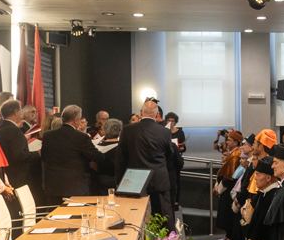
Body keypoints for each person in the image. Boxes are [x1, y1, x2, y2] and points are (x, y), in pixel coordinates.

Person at [117, 98, 179, 229]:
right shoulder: (164, 132)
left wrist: (120, 182)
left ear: (141, 113)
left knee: (135, 220)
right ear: (157, 115)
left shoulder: (127, 130)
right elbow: (169, 154)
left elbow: (121, 158)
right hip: (159, 180)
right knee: (163, 219)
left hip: (134, 182)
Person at [39, 105, 104, 200]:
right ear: (76, 120)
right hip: (75, 187)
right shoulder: (81, 137)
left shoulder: (48, 135)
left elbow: (44, 157)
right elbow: (97, 157)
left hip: (53, 186)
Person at [0, 98, 39, 193]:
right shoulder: (13, 130)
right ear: (16, 112)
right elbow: (19, 156)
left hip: (8, 173)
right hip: (19, 176)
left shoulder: (0, 127)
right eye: (20, 109)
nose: (21, 112)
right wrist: (37, 153)